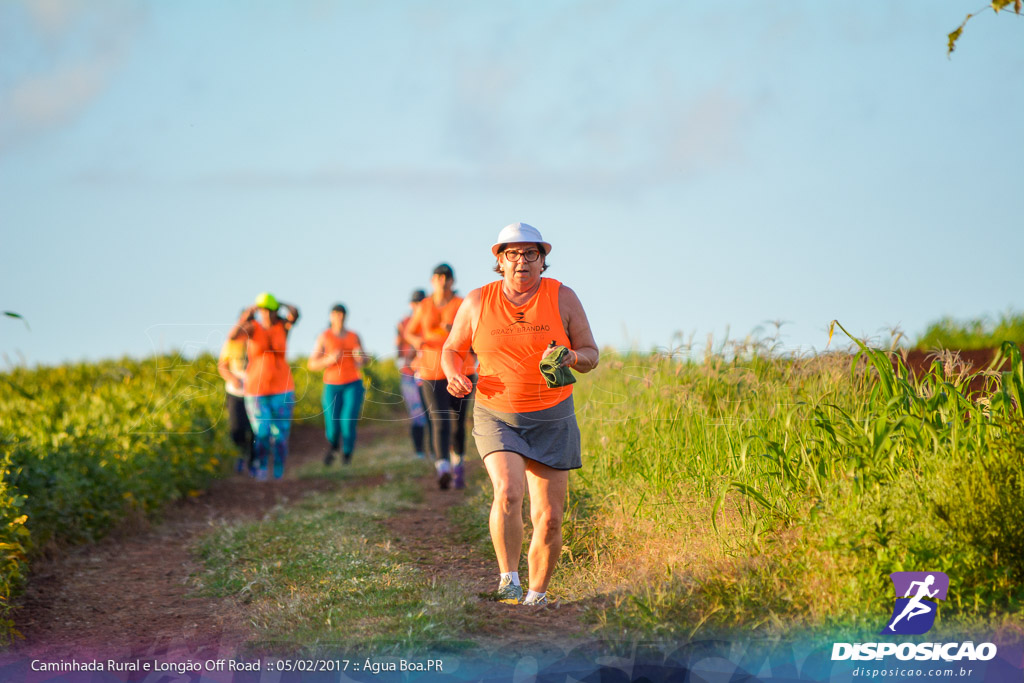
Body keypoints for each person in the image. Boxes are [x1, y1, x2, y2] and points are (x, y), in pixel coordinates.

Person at [442, 222, 598, 606]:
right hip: (498, 413)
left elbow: (591, 355)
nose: (522, 261)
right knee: (509, 492)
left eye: (531, 254)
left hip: (552, 415)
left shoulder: (563, 297)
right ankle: (507, 578)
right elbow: (451, 349)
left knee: (549, 516)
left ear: (543, 260)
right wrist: (454, 374)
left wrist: (572, 357)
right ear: (500, 260)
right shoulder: (478, 301)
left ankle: (535, 598)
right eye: (512, 254)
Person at [404, 263, 477, 490]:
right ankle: (442, 466)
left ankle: (459, 463)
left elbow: (474, 331)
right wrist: (417, 342)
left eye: (446, 277)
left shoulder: (461, 304)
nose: (442, 281)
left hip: (460, 370)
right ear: (432, 281)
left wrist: (454, 328)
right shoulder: (424, 306)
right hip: (430, 371)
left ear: (452, 281)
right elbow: (410, 331)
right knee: (439, 419)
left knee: (458, 422)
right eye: (438, 277)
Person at [228, 292, 300, 480]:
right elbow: (233, 336)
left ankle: (278, 470)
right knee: (261, 431)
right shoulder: (252, 328)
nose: (265, 313)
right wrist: (247, 314)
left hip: (282, 389)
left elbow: (295, 313)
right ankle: (260, 466)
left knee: (281, 435)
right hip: (256, 390)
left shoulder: (283, 327)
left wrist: (280, 301)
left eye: (269, 310)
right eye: (262, 310)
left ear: (275, 311)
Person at [307, 304, 368, 465]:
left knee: (348, 421)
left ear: (345, 316)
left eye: (341, 314)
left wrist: (361, 357)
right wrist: (328, 360)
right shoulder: (324, 337)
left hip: (353, 384)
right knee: (332, 425)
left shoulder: (354, 336)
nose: (339, 317)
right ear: (331, 316)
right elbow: (312, 364)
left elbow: (365, 359)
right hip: (332, 384)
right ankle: (333, 446)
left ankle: (347, 456)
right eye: (336, 314)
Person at [216, 323, 254, 475]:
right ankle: (240, 456)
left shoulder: (258, 342)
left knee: (254, 430)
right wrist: (231, 378)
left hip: (255, 393)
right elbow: (222, 365)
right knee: (236, 428)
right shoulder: (231, 343)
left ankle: (253, 461)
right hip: (235, 392)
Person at [397, 290, 429, 459]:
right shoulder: (404, 323)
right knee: (417, 413)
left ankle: (435, 450)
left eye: (421, 303)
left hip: (429, 373)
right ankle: (419, 451)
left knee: (432, 412)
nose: (418, 307)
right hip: (410, 375)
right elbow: (399, 352)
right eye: (416, 303)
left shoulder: (432, 321)